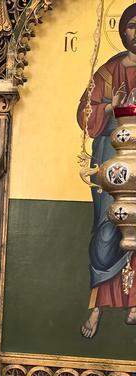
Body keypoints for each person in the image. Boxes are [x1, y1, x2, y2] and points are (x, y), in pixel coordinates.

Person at [77, 4, 136, 338]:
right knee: (106, 228)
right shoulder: (109, 71)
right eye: (133, 26)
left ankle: (134, 302)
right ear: (123, 30)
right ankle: (98, 306)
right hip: (111, 152)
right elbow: (84, 113)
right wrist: (110, 107)